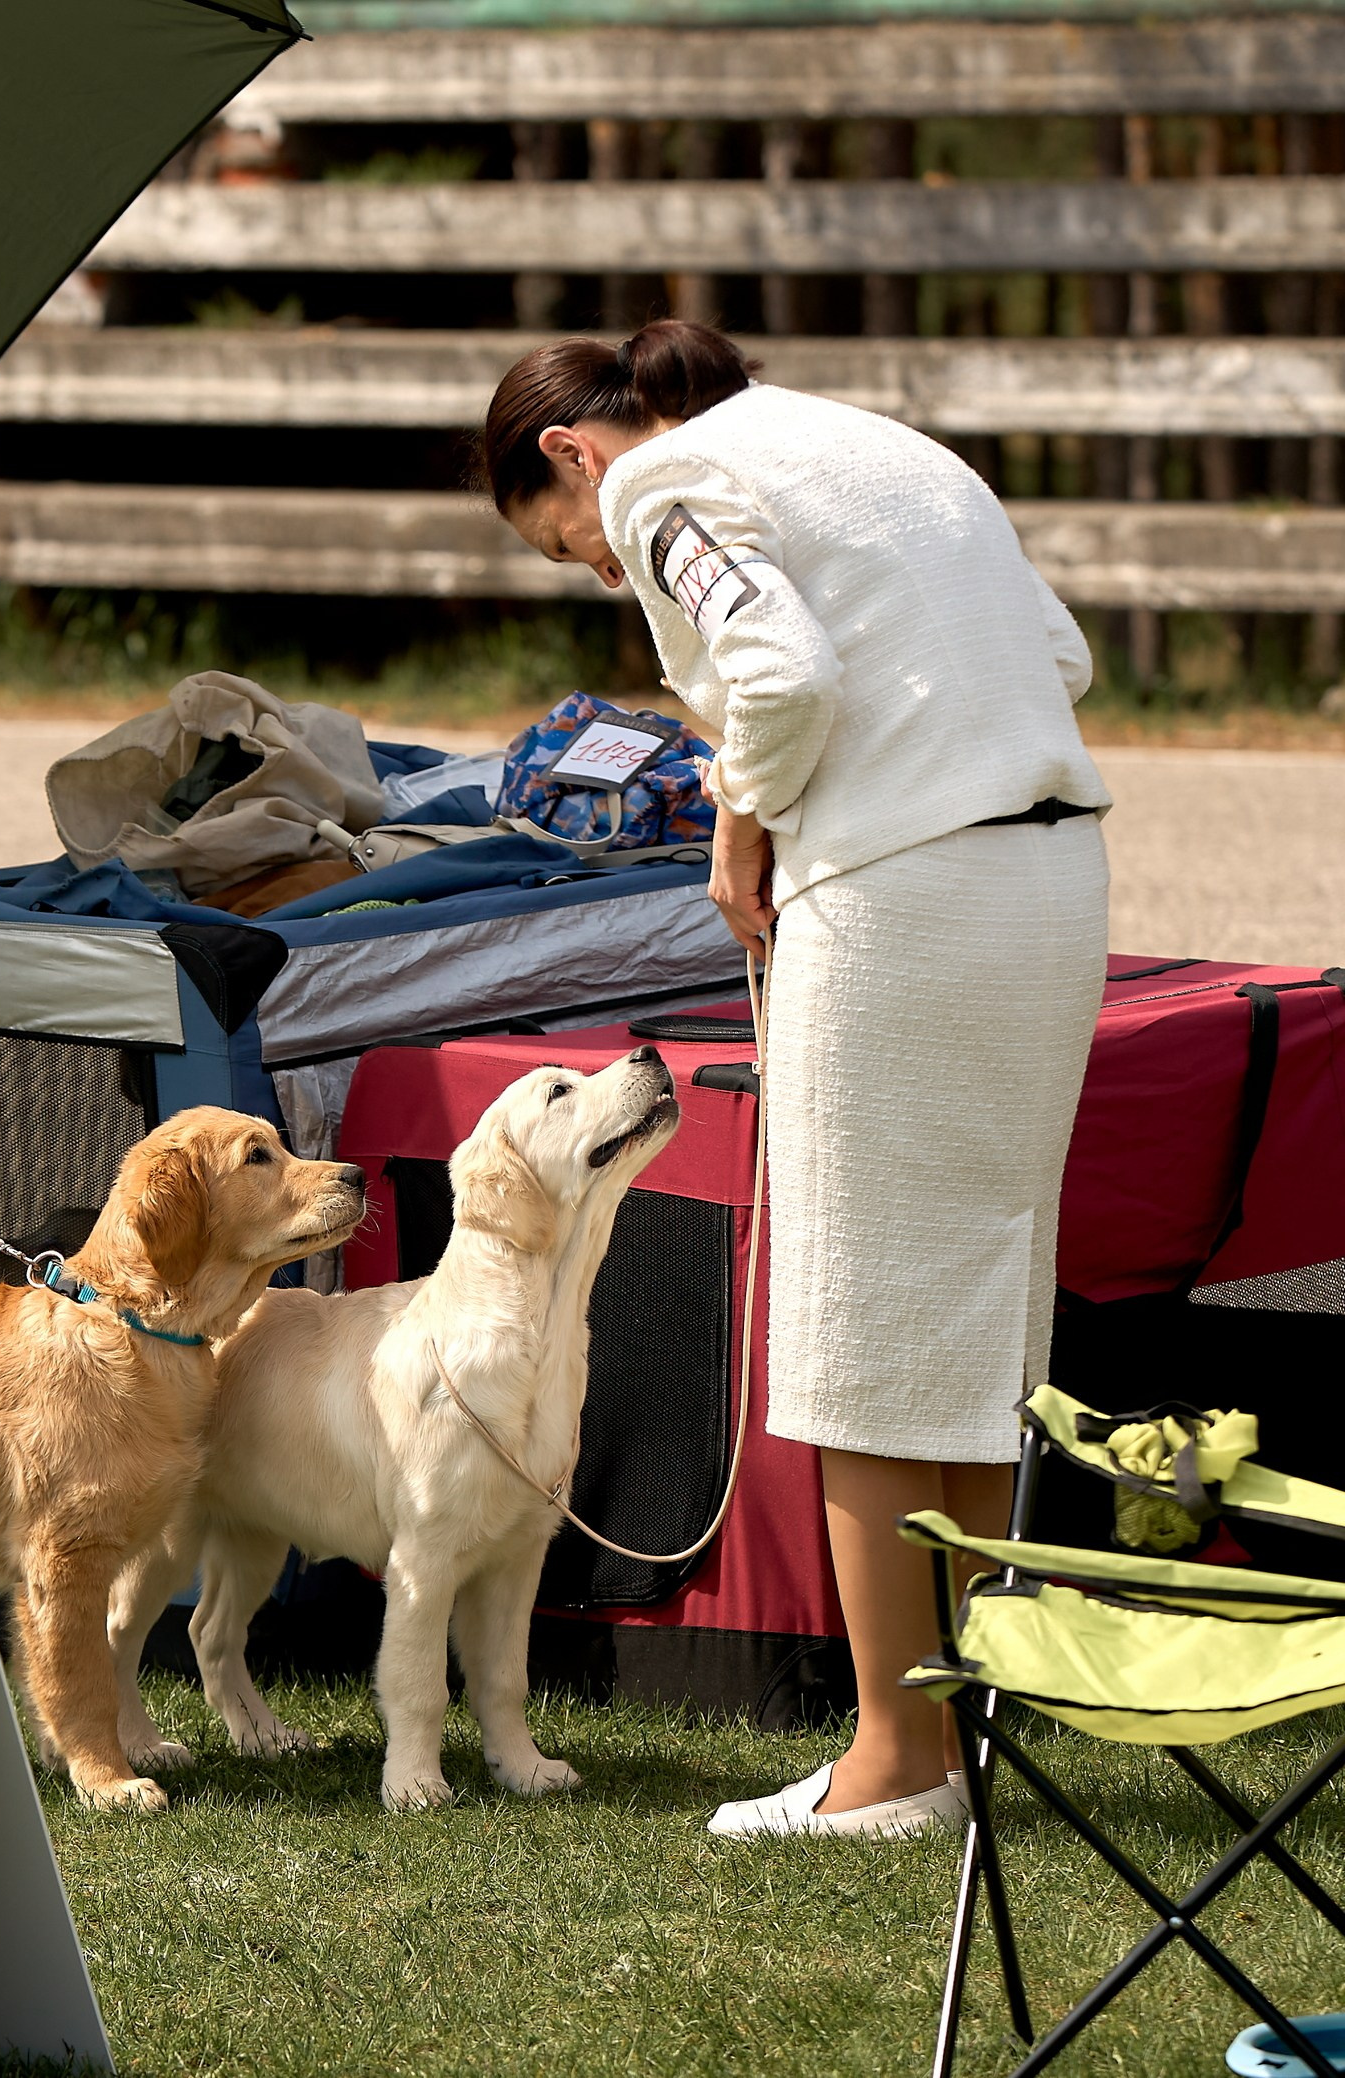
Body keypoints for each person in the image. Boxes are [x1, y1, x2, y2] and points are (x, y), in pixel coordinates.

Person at [482, 320, 1110, 1838]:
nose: (601, 568)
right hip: (1051, 881)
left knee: (857, 1323)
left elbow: (778, 668)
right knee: (972, 1312)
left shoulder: (664, 481)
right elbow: (1060, 652)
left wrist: (741, 816)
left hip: (903, 897)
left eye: (570, 549)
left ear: (573, 452)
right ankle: (952, 1733)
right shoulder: (884, 447)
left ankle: (893, 1762)